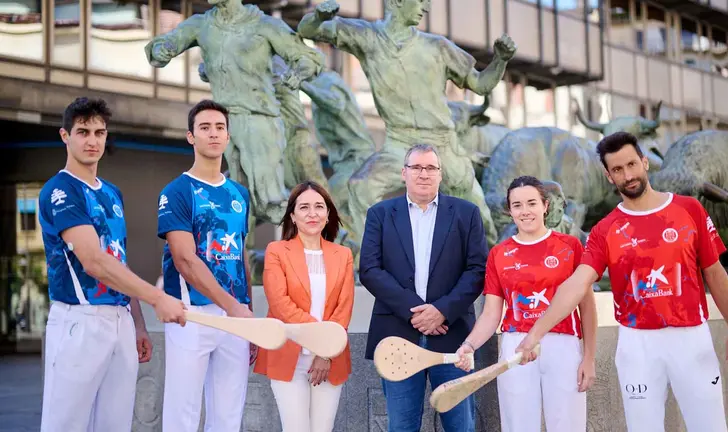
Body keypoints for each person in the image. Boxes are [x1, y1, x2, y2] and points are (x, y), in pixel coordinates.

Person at [515, 132, 728, 432]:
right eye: (617, 170)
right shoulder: (605, 229)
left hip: (691, 338)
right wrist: (535, 334)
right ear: (608, 176)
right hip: (636, 344)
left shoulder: (689, 209)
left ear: (644, 162)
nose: (627, 175)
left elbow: (715, 272)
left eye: (631, 165)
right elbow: (576, 285)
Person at [298, 0, 519, 249]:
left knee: (477, 214)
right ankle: (371, 260)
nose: (425, 8)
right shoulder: (368, 37)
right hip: (399, 143)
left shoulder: (438, 47)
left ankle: (494, 264)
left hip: (442, 145)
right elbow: (307, 31)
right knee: (361, 188)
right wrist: (318, 16)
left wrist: (500, 60)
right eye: (421, 1)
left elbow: (480, 84)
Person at [38, 97, 186, 432]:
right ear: (65, 135)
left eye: (99, 132)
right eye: (83, 132)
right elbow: (93, 261)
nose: (92, 140)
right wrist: (157, 298)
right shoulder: (60, 190)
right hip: (80, 320)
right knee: (66, 426)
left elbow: (119, 262)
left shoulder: (112, 192)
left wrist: (137, 322)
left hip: (119, 321)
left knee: (114, 425)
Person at [145, 0, 324, 225]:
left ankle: (320, 244)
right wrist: (163, 49)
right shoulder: (202, 24)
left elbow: (308, 57)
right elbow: (167, 42)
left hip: (259, 118)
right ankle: (239, 256)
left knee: (269, 199)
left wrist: (298, 72)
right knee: (237, 202)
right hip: (224, 124)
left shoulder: (264, 25)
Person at [358, 143, 488, 432]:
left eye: (431, 168)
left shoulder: (466, 214)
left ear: (441, 175)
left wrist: (442, 311)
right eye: (416, 167)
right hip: (397, 337)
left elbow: (478, 269)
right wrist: (415, 312)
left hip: (453, 337)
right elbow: (369, 269)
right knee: (402, 426)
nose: (423, 174)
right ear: (404, 173)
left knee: (461, 426)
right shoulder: (380, 214)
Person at [454, 175, 597, 432]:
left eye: (531, 203)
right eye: (517, 205)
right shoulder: (499, 254)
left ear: (545, 205)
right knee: (518, 425)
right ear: (510, 211)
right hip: (515, 347)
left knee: (568, 426)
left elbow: (586, 307)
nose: (525, 211)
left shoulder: (570, 246)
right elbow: (490, 314)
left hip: (563, 345)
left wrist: (589, 358)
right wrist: (469, 345)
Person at [157, 99, 258, 432]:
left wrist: (247, 312)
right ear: (191, 137)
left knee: (229, 415)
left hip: (235, 317)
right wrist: (232, 307)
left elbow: (241, 254)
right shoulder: (177, 191)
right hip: (191, 315)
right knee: (183, 413)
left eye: (219, 128)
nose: (213, 134)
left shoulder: (239, 194)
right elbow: (185, 260)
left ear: (228, 136)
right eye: (205, 128)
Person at [254, 180, 355, 432]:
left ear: (328, 214)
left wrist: (325, 352)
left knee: (323, 429)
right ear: (293, 215)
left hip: (330, 358)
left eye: (319, 206)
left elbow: (344, 308)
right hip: (288, 354)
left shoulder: (342, 255)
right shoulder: (277, 251)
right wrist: (321, 340)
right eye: (304, 207)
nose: (312, 213)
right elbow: (280, 305)